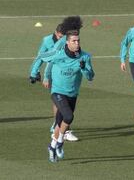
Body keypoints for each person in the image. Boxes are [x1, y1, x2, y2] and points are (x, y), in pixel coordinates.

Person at [42, 30, 95, 162]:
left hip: (72, 94)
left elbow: (90, 77)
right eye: (74, 41)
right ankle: (60, 142)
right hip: (57, 92)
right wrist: (43, 75)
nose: (77, 43)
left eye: (78, 41)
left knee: (60, 123)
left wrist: (83, 68)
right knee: (69, 116)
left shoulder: (85, 56)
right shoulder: (58, 54)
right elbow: (43, 58)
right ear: (67, 42)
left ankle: (52, 146)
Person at [30, 16, 83, 141]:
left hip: (69, 77)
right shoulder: (60, 43)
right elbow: (45, 57)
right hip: (56, 75)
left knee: (62, 104)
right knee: (60, 103)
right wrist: (37, 73)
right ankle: (63, 130)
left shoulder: (73, 40)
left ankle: (58, 127)